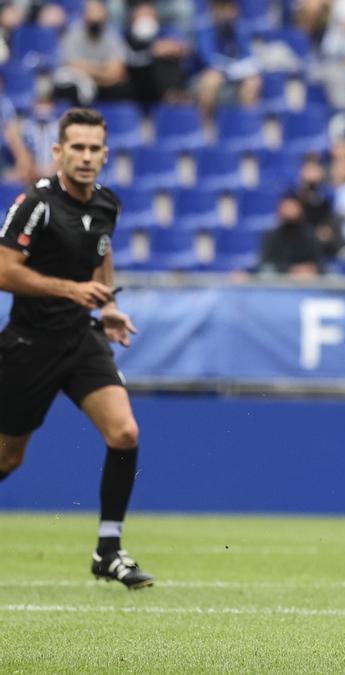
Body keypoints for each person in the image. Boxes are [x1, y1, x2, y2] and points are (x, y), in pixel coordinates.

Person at [0, 108, 152, 589]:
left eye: (94, 149)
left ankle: (109, 550)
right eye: (77, 148)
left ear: (105, 155)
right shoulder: (36, 204)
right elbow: (4, 271)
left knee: (125, 432)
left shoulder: (107, 203)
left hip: (81, 337)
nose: (86, 158)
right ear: (58, 152)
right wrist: (71, 290)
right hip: (29, 342)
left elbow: (101, 256)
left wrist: (105, 306)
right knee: (7, 458)